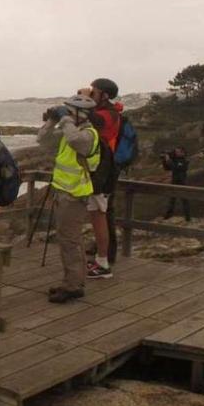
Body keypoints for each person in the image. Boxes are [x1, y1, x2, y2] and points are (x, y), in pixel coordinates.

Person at [37, 95, 100, 303]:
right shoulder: (69, 131)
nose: (67, 116)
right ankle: (72, 281)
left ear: (82, 114)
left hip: (75, 195)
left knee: (70, 241)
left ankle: (73, 286)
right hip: (63, 192)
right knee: (69, 240)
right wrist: (52, 121)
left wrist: (65, 120)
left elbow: (75, 142)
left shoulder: (89, 135)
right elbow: (43, 140)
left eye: (70, 112)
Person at [84, 78, 122, 279]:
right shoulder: (110, 112)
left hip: (102, 173)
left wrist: (83, 100)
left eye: (94, 92)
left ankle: (103, 263)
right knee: (98, 215)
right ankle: (102, 259)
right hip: (101, 171)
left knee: (99, 216)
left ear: (104, 95)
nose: (91, 94)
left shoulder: (109, 114)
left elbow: (93, 120)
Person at [162, 146, 191, 221]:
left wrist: (168, 160)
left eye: (178, 152)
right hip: (175, 182)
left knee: (184, 200)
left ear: (183, 152)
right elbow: (167, 168)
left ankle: (188, 217)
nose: (176, 153)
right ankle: (168, 215)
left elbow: (175, 167)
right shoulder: (175, 160)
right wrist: (164, 160)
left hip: (182, 182)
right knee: (172, 199)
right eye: (175, 152)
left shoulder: (184, 160)